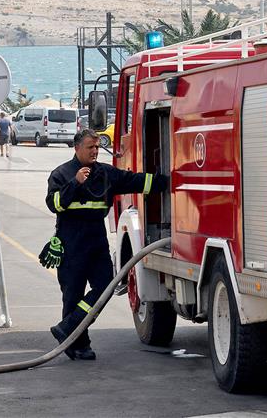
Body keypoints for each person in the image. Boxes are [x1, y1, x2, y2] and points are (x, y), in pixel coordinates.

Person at [42, 129, 169, 361]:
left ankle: (68, 327)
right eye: (90, 147)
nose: (95, 151)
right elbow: (54, 204)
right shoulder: (61, 174)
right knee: (72, 296)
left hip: (96, 241)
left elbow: (134, 181)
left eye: (97, 147)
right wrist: (75, 183)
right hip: (71, 243)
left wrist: (166, 181)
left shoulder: (105, 173)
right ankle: (78, 345)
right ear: (77, 148)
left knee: (105, 287)